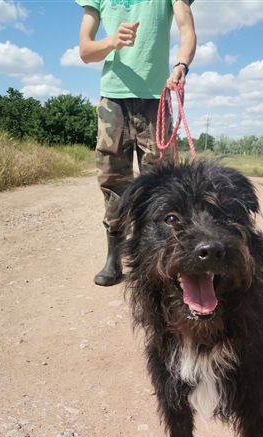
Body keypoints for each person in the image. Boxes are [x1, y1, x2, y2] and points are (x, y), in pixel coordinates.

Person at [77, 0, 197, 286]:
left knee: (161, 183)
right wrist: (112, 41)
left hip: (156, 98)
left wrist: (181, 64)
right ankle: (114, 257)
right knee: (112, 178)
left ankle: (158, 258)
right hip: (113, 99)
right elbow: (85, 51)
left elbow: (187, 32)